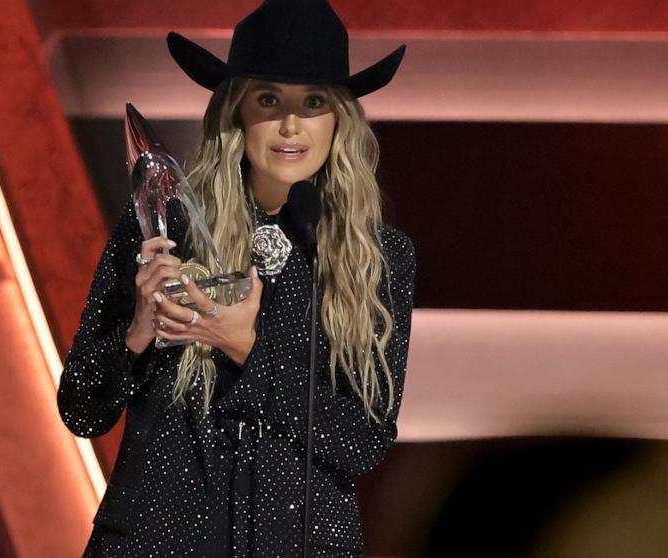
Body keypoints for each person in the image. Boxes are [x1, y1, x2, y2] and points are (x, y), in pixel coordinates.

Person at [57, 1, 415, 556]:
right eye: (269, 99)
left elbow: (362, 440)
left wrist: (243, 344)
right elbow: (81, 408)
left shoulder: (378, 257)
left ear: (339, 118)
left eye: (313, 102)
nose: (291, 125)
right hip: (157, 541)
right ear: (236, 110)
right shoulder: (165, 226)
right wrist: (137, 332)